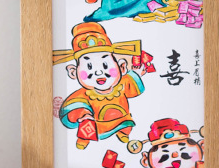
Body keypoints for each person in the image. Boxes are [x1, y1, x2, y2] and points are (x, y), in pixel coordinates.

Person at [54, 22, 149, 150]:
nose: (99, 73)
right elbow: (76, 105)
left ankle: (122, 133)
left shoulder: (121, 85)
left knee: (126, 125)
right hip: (96, 125)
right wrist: (84, 114)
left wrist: (136, 74)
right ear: (73, 72)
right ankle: (83, 140)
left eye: (105, 65)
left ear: (122, 67)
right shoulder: (84, 94)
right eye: (89, 67)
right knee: (87, 127)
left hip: (121, 119)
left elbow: (131, 85)